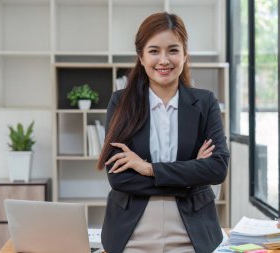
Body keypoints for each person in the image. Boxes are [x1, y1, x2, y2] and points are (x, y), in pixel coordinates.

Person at [97, 12, 229, 253]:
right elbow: (119, 178)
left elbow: (218, 168)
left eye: (173, 50)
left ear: (185, 54)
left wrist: (148, 169)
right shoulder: (121, 102)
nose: (164, 60)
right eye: (154, 51)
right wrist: (191, 174)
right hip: (131, 234)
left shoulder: (205, 102)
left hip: (193, 233)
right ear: (141, 56)